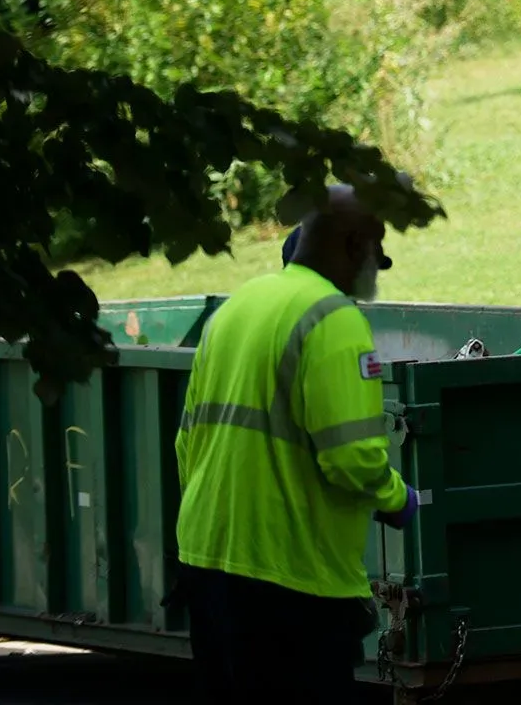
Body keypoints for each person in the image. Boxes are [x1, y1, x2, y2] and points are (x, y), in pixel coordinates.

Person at [174, 186, 419, 705]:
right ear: (350, 245)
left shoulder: (235, 310)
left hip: (206, 556)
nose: (373, 271)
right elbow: (352, 457)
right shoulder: (333, 319)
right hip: (289, 576)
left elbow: (186, 442)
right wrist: (398, 499)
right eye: (374, 255)